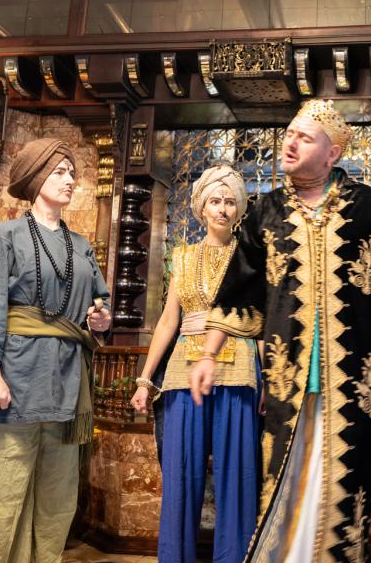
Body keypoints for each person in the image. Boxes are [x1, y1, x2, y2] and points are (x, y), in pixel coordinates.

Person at [189, 99, 371, 563]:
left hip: (354, 381)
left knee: (347, 477)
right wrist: (208, 355)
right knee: (286, 475)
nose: (290, 142)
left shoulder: (370, 207)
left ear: (332, 153)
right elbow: (239, 290)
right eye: (289, 134)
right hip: (288, 381)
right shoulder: (266, 211)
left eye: (304, 137)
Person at [0, 138, 113, 563]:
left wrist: (100, 320)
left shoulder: (81, 246)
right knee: (0, 490)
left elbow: (101, 301)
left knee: (58, 497)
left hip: (68, 383)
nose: (70, 179)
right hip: (16, 380)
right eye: (59, 172)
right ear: (36, 178)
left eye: (72, 173)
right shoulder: (4, 236)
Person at [130, 164, 259, 563]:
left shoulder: (250, 256)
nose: (222, 208)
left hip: (238, 368)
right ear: (202, 208)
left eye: (230, 201)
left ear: (239, 210)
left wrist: (268, 381)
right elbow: (169, 321)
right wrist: (145, 380)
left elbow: (260, 319)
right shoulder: (183, 258)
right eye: (215, 201)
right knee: (180, 474)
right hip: (183, 370)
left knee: (237, 477)